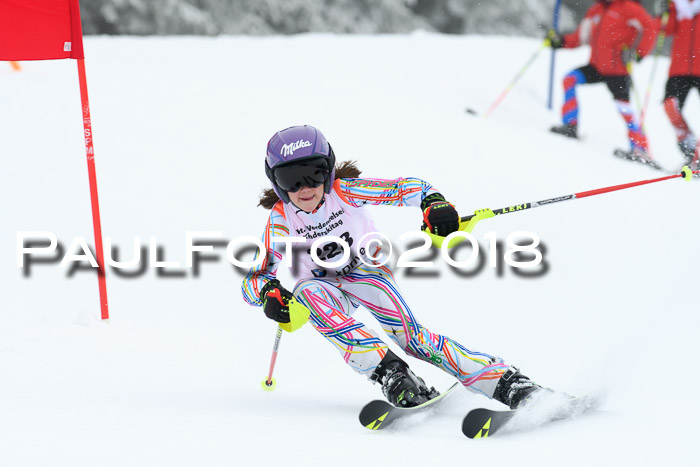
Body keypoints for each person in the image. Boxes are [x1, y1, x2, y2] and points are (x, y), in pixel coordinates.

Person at [241, 124, 546, 409]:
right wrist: (268, 292)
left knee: (414, 341)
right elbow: (254, 278)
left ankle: (506, 383)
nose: (304, 189)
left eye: (313, 175)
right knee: (305, 292)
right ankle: (392, 373)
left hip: (367, 273)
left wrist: (433, 202)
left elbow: (406, 188)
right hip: (324, 288)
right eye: (290, 180)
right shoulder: (282, 219)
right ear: (276, 183)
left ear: (329, 171)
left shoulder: (345, 192)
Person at [547, 0, 658, 159]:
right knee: (569, 79)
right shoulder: (595, 10)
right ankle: (570, 126)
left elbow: (650, 27)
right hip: (596, 67)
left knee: (624, 108)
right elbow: (580, 38)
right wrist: (561, 41)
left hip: (617, 70)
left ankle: (639, 150)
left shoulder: (628, 7)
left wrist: (638, 53)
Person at [658, 0, 700, 169]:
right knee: (670, 106)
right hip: (679, 68)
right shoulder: (676, 4)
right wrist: (664, 13)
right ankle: (690, 152)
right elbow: (665, 30)